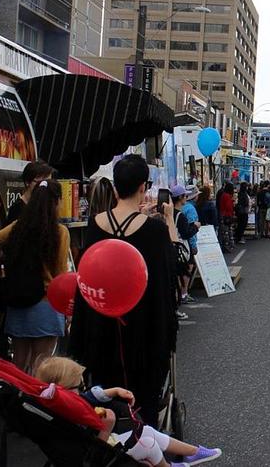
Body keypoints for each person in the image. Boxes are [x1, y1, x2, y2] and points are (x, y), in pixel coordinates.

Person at [68, 155, 178, 426]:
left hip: (100, 321)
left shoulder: (96, 223)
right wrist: (169, 219)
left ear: (116, 187)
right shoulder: (154, 229)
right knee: (142, 393)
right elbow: (170, 271)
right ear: (143, 187)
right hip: (143, 326)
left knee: (104, 389)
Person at [35, 357, 222, 466]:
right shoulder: (67, 417)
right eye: (79, 385)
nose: (84, 388)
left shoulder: (64, 403)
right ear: (65, 389)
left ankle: (192, 452)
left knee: (146, 431)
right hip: (98, 454)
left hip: (99, 446)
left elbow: (90, 396)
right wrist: (106, 429)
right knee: (147, 443)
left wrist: (114, 391)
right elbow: (89, 454)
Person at [0, 180, 70, 373]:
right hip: (47, 303)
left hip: (19, 302)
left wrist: (9, 258)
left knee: (18, 364)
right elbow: (60, 273)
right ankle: (35, 403)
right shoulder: (60, 232)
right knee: (42, 366)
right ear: (56, 202)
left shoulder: (19, 226)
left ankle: (14, 401)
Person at [172, 185, 200, 313]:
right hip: (180, 249)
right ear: (180, 198)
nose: (186, 198)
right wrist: (195, 227)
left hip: (172, 249)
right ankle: (180, 299)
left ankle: (178, 300)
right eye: (185, 196)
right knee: (182, 274)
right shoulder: (181, 215)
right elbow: (186, 234)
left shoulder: (169, 213)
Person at [5, 160, 53, 225]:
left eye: (49, 183)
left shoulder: (46, 205)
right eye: (41, 183)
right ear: (28, 182)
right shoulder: (17, 209)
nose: (46, 188)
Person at [217, 182, 236, 252]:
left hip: (224, 214)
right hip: (227, 215)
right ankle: (227, 246)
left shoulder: (224, 195)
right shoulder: (227, 196)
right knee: (227, 231)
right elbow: (228, 206)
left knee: (226, 231)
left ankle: (228, 245)